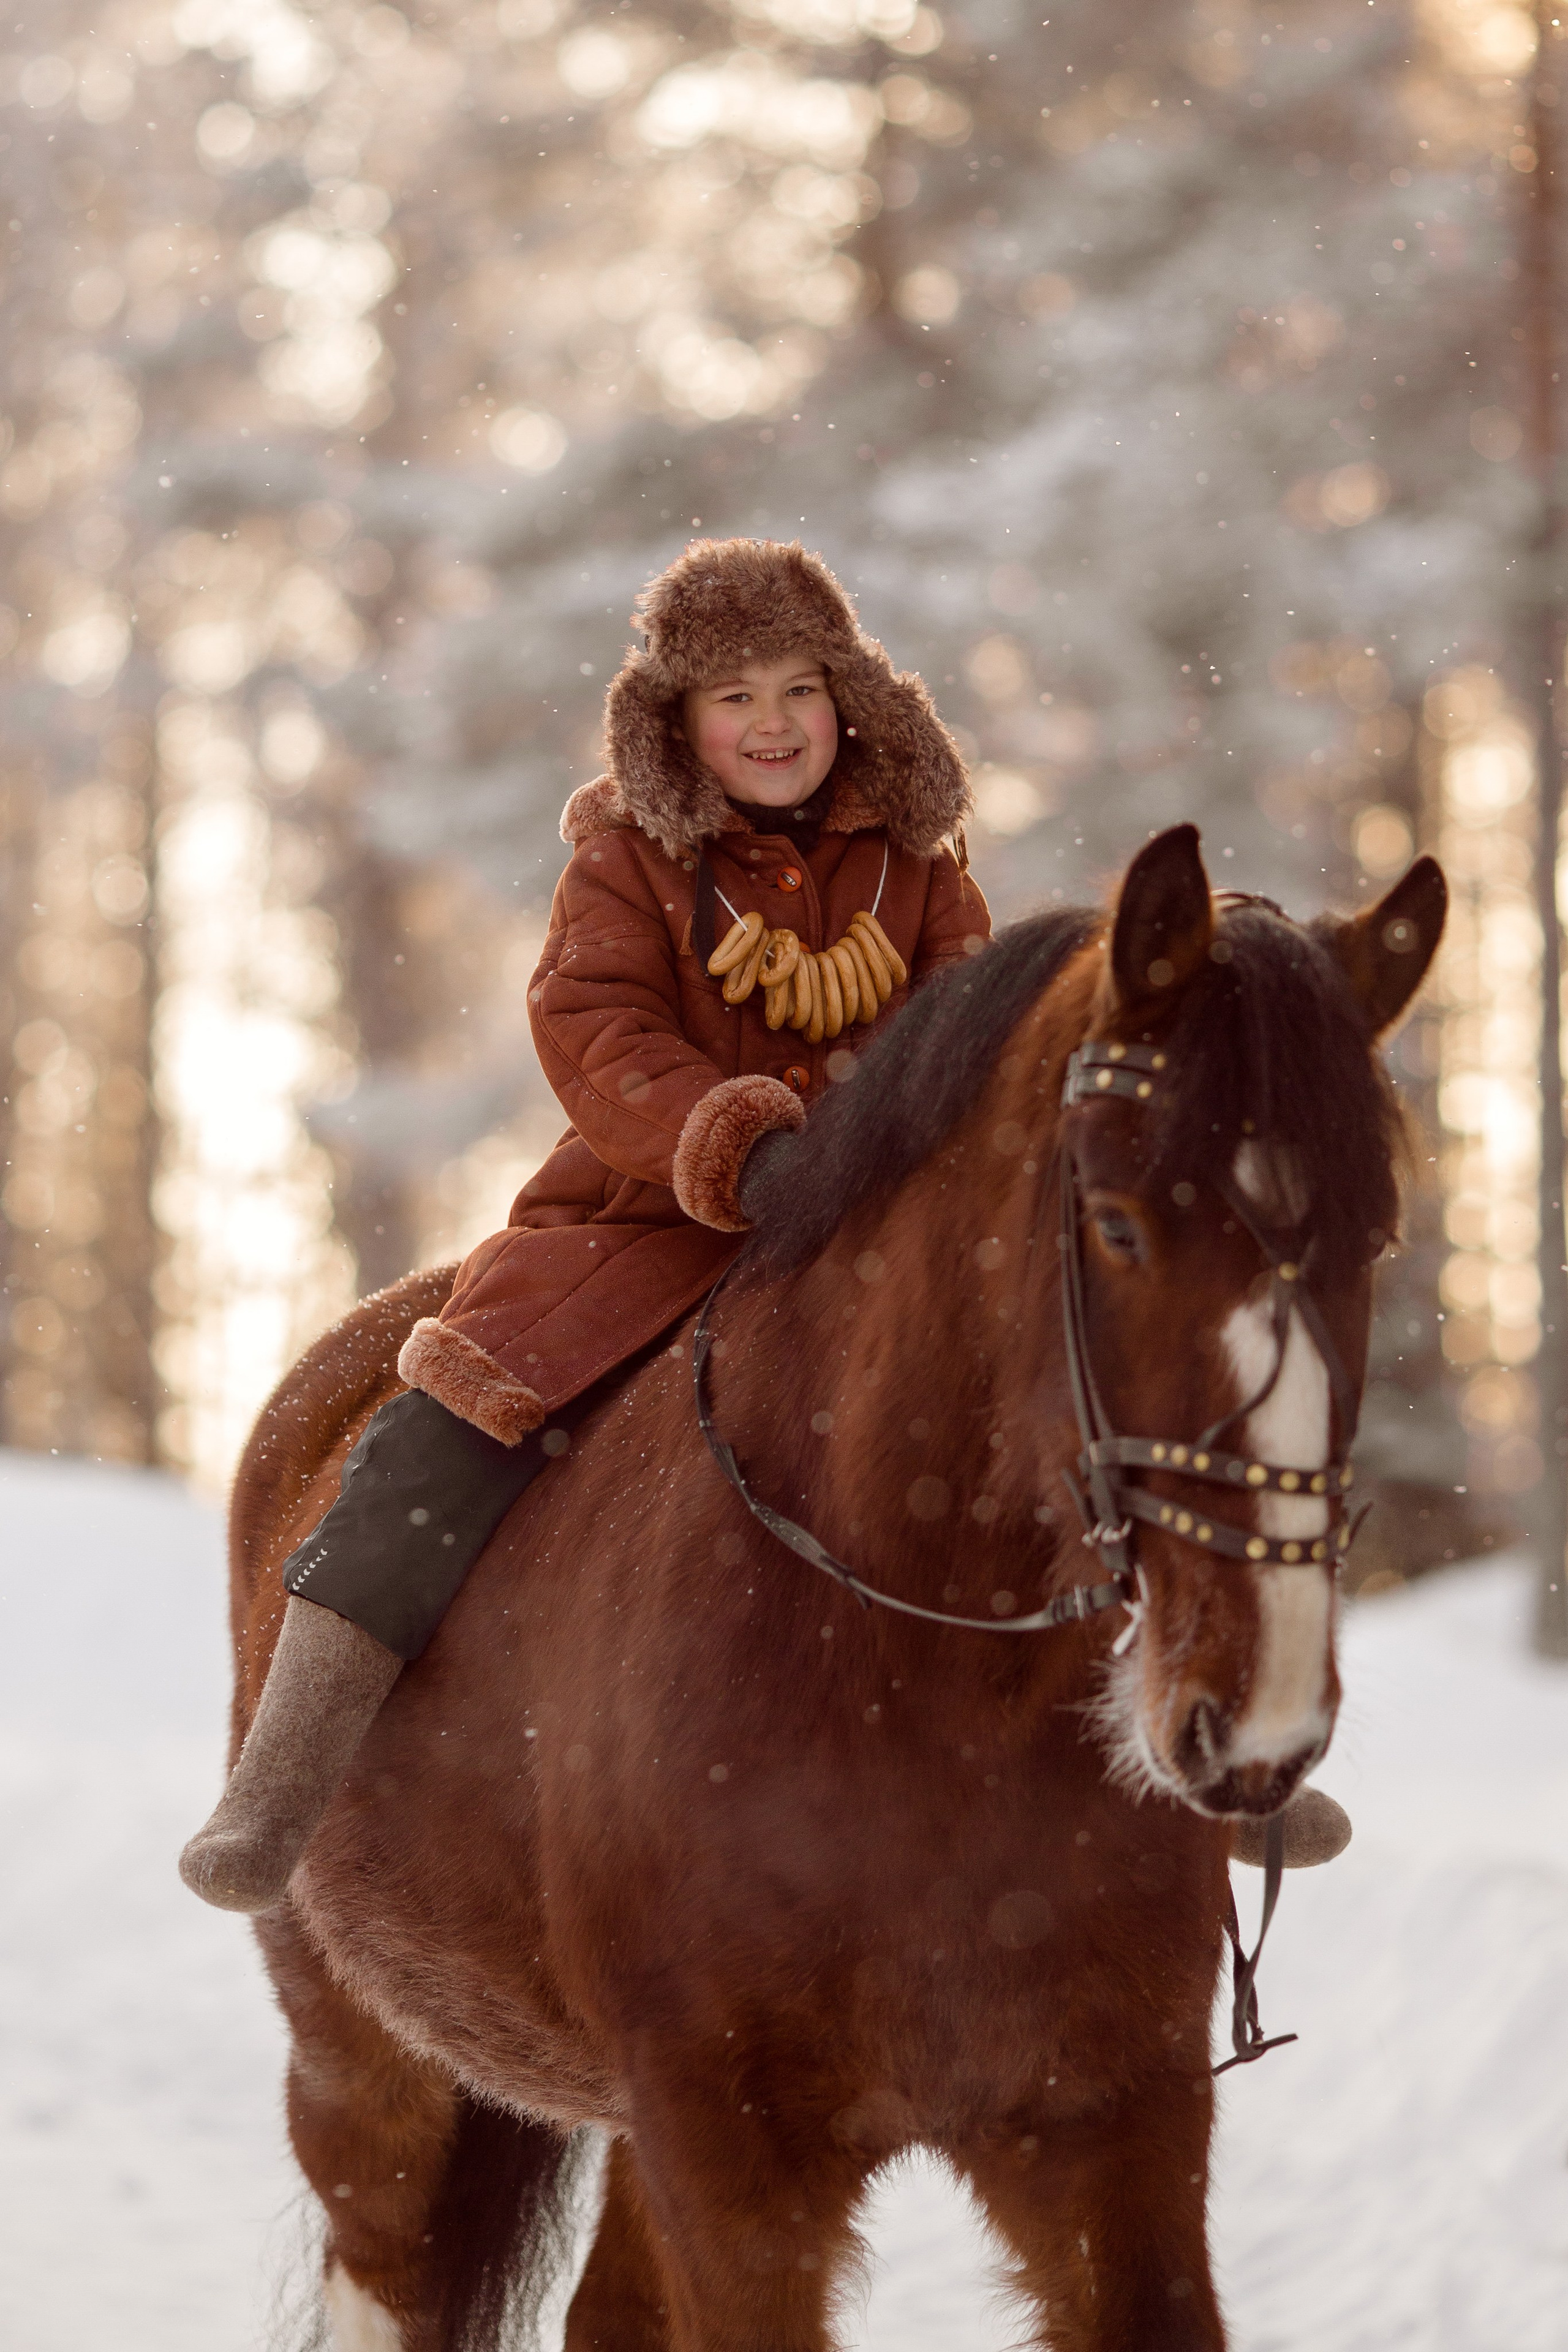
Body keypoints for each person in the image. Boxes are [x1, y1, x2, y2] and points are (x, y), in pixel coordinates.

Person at [179, 535, 991, 1912]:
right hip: (643, 1222)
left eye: (799, 688)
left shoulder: (918, 864)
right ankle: (282, 1778)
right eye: (734, 697)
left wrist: (896, 1165)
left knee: (1064, 1407)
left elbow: (970, 1026)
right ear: (679, 720)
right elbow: (595, 1026)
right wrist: (731, 1142)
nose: (774, 723)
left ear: (847, 698)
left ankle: (1207, 1759)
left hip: (874, 1230)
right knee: (449, 1428)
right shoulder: (624, 860)